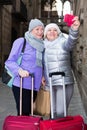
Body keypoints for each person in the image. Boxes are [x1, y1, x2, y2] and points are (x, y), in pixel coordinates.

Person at [42, 16, 80, 118]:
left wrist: (74, 30)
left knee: (60, 111)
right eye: (49, 30)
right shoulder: (42, 45)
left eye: (55, 30)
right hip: (49, 83)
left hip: (63, 82)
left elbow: (71, 42)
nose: (52, 32)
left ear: (58, 32)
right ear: (45, 33)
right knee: (52, 111)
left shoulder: (63, 42)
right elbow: (41, 63)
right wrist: (42, 75)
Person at [5, 18, 44, 115]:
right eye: (37, 29)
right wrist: (19, 70)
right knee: (24, 113)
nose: (40, 32)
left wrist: (43, 76)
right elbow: (10, 61)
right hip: (22, 84)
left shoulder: (42, 45)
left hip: (35, 85)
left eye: (42, 29)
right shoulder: (22, 41)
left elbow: (41, 64)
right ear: (31, 30)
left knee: (29, 113)